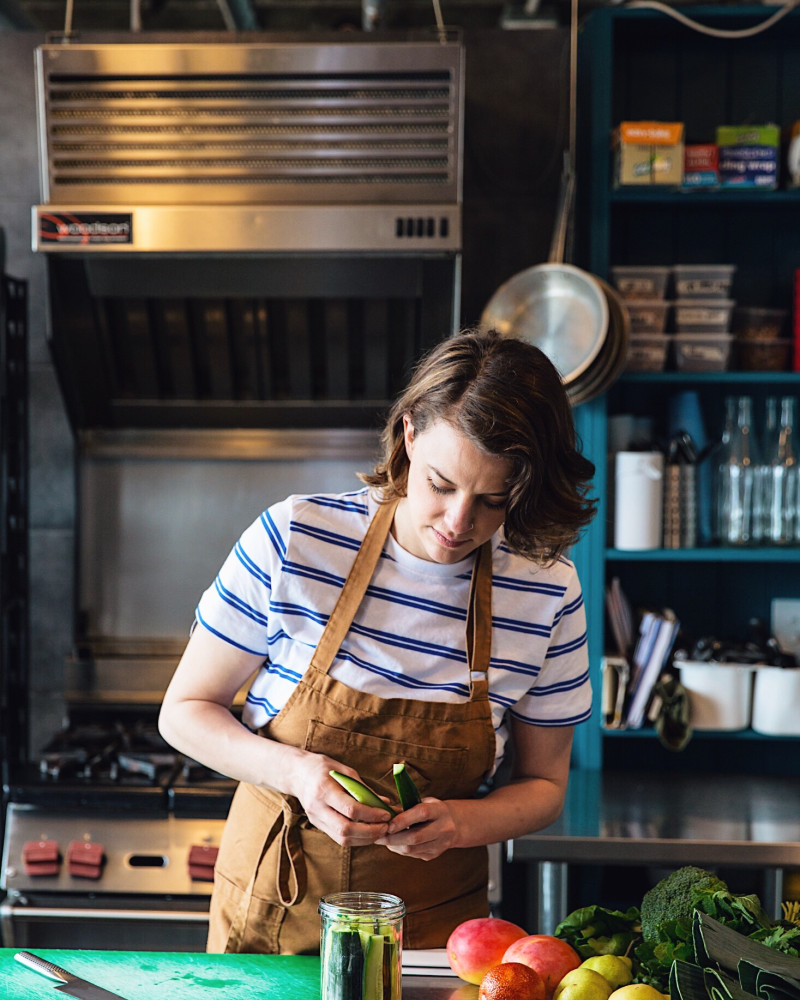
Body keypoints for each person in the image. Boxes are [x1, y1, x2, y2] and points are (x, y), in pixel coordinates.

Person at [158, 327, 597, 955]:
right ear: (411, 434)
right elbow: (183, 713)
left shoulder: (547, 590)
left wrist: (462, 822)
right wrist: (296, 772)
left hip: (435, 939)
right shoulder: (296, 538)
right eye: (442, 484)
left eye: (493, 500)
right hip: (274, 919)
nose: (458, 523)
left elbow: (545, 787)